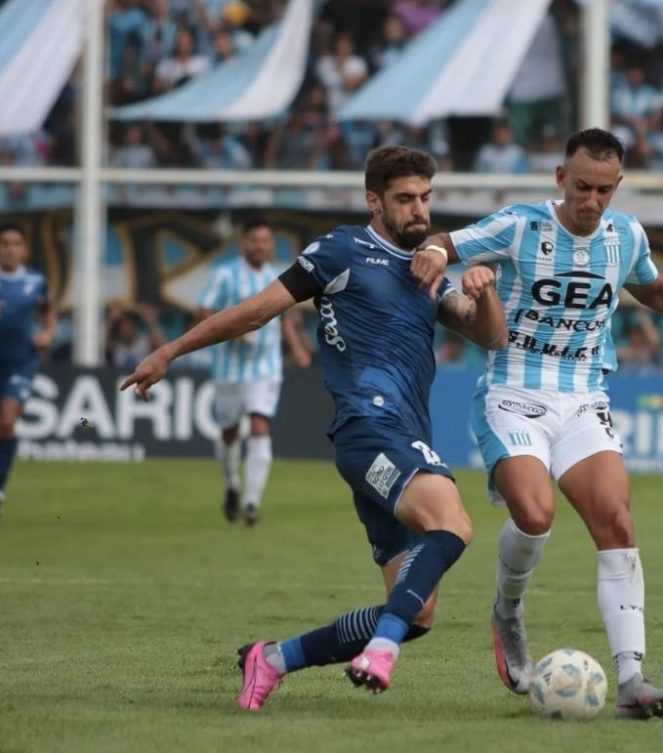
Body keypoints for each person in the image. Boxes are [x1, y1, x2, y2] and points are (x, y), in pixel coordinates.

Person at [121, 145, 507, 707]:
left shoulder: (428, 266)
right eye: (405, 199)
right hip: (368, 428)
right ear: (373, 201)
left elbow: (489, 335)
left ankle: (272, 659)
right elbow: (256, 310)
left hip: (404, 434)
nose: (419, 209)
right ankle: (381, 651)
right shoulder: (341, 250)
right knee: (452, 525)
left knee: (417, 611)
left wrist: (483, 287)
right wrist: (170, 351)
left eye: (425, 197)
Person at [409, 128, 663, 719]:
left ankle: (632, 679)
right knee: (535, 514)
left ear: (617, 187)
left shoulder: (627, 235)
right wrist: (437, 254)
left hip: (584, 398)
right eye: (581, 186)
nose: (590, 200)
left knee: (617, 520)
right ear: (561, 179)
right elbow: (446, 240)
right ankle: (508, 610)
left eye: (603, 190)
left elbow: (652, 287)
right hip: (513, 392)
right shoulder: (520, 225)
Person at [197, 218, 312, 526]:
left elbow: (286, 317)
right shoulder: (225, 274)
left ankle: (252, 500)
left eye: (265, 241)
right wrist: (233, 330)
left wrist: (297, 348)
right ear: (243, 242)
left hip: (266, 366)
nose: (260, 246)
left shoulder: (277, 277)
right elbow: (203, 311)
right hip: (229, 367)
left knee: (260, 425)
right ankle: (232, 483)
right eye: (254, 240)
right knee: (230, 432)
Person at [0, 224, 56, 516]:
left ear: (24, 249)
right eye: (5, 243)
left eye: (15, 243)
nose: (10, 249)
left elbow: (47, 309)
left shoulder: (36, 281)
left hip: (20, 362)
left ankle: (0, 487)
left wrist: (48, 333)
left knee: (7, 422)